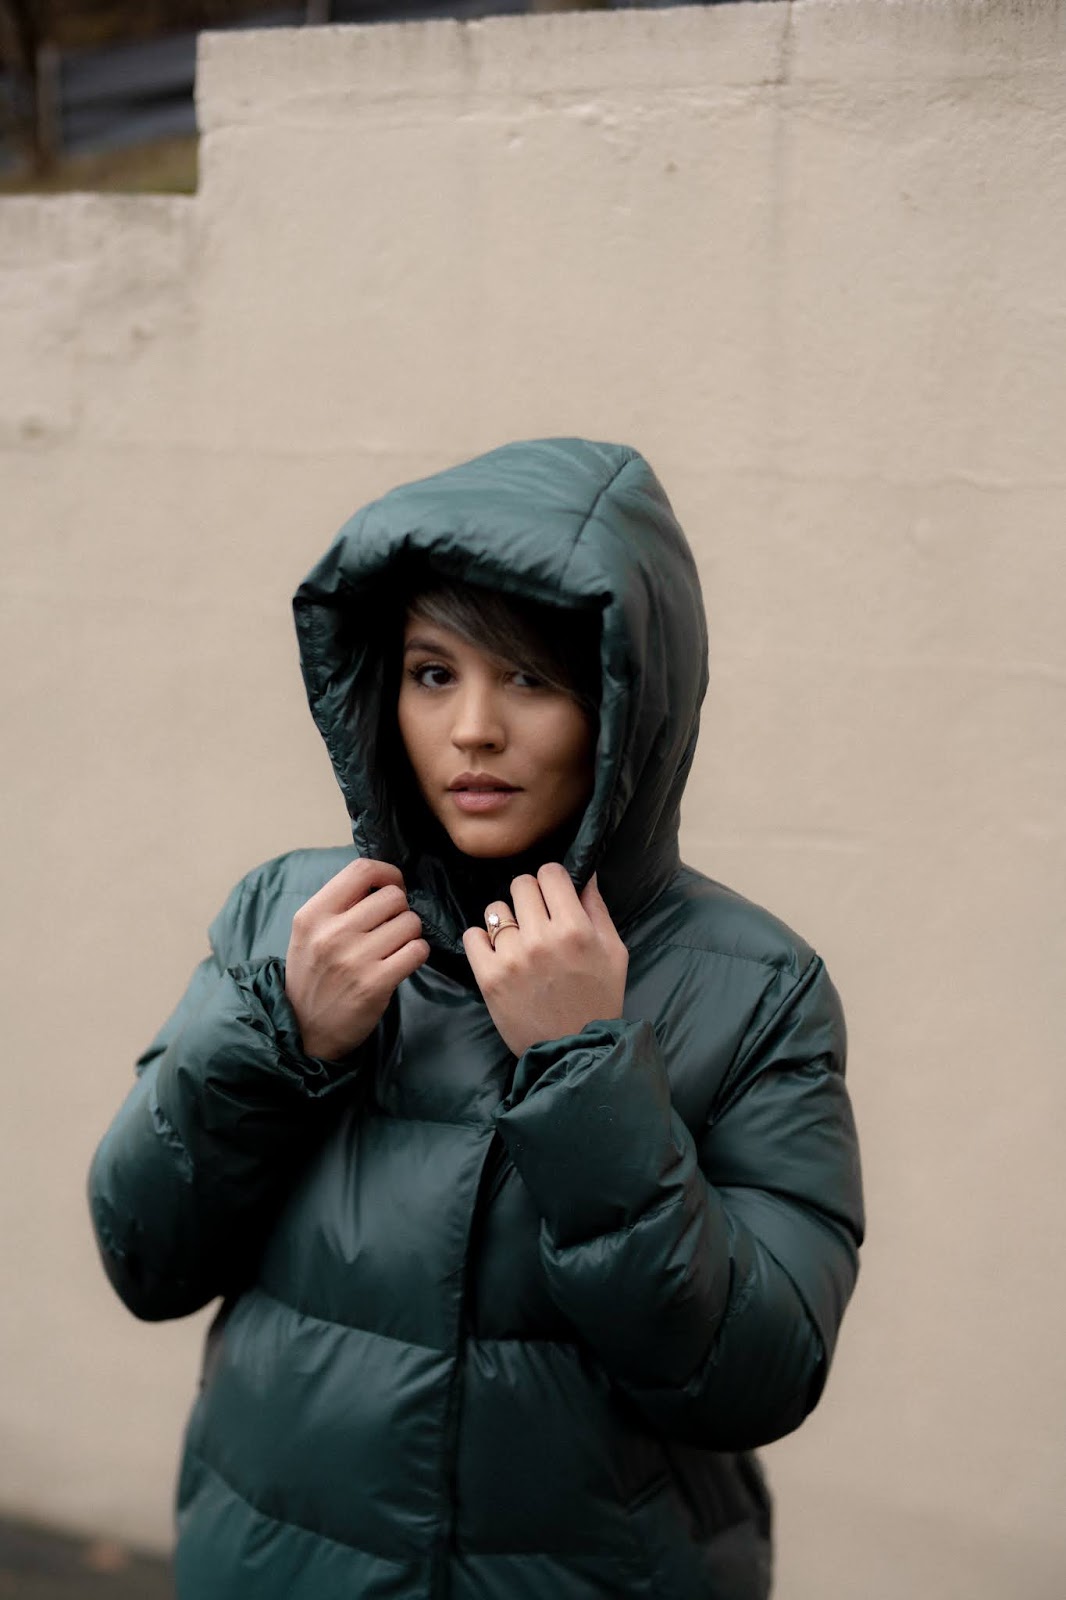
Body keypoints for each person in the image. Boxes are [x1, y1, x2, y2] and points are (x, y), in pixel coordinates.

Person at [89, 437, 864, 1600]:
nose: (472, 730)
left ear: (625, 705)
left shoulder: (754, 986)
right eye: (432, 672)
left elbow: (757, 1374)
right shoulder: (292, 920)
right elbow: (142, 1257)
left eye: (530, 680)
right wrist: (276, 1040)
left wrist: (585, 1071)